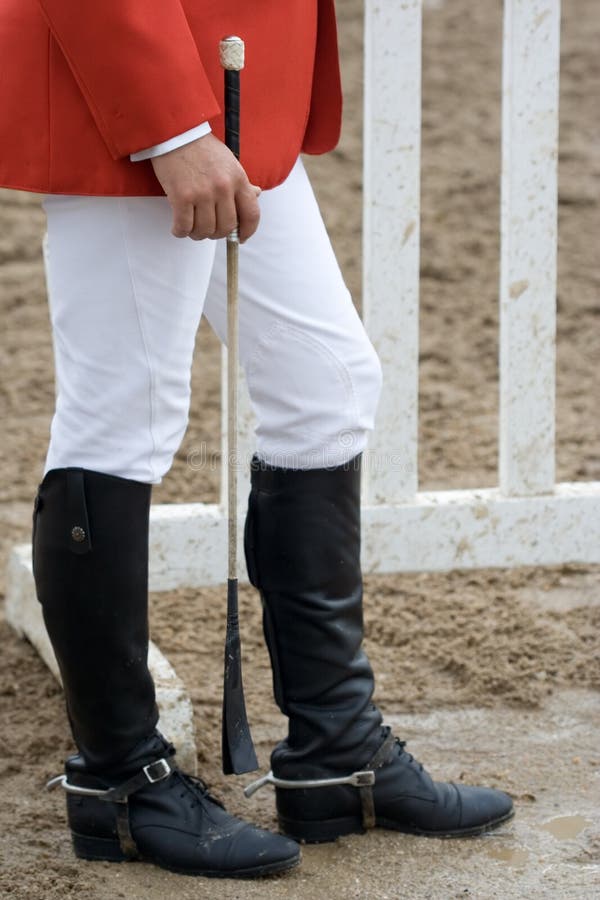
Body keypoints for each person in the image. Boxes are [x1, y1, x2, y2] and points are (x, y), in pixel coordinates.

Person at [1, 0, 514, 881]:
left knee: (328, 387)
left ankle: (336, 755)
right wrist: (168, 129)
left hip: (238, 86)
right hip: (142, 96)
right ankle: (120, 782)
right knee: (123, 419)